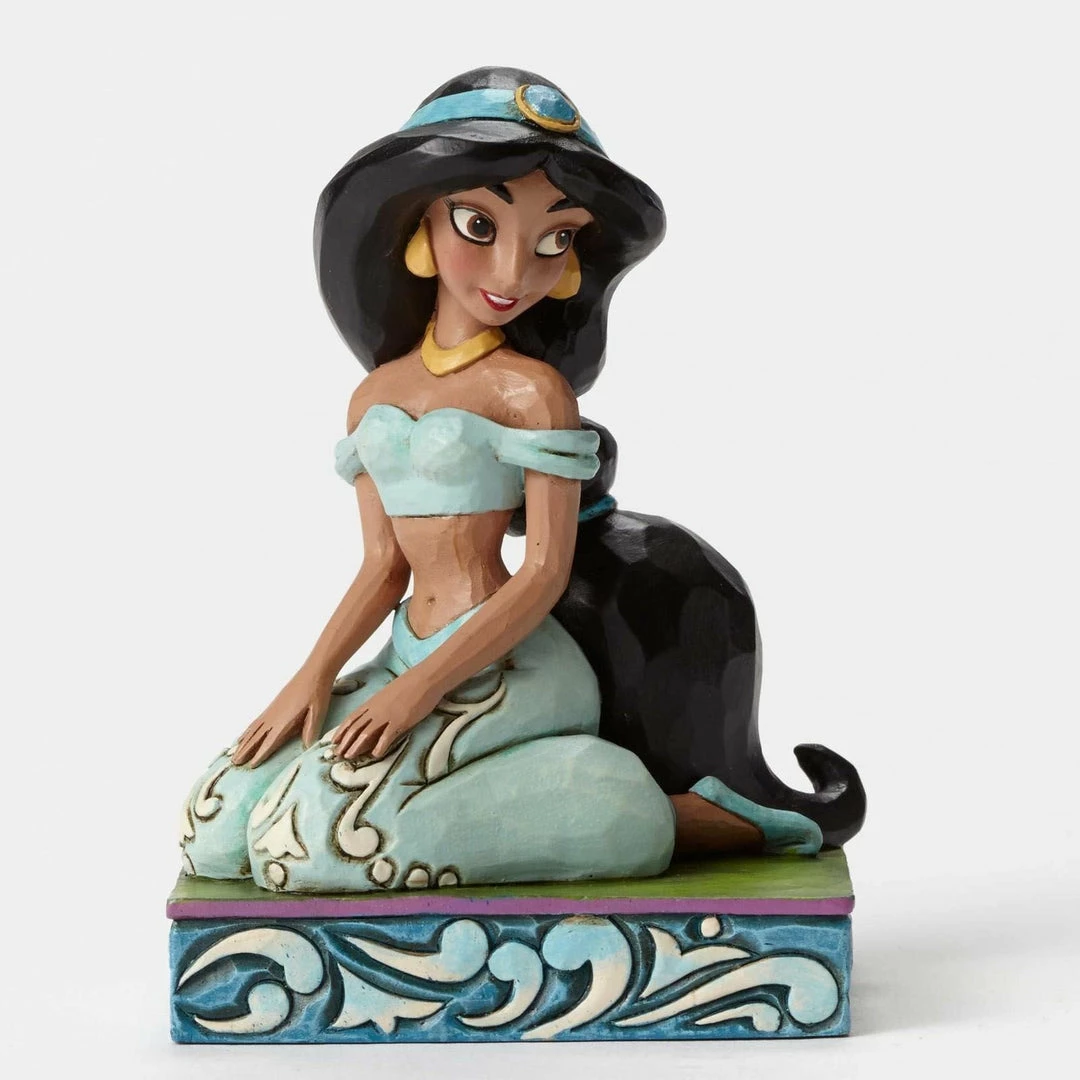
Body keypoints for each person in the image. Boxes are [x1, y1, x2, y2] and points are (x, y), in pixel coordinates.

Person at [179, 68, 861, 894]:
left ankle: (619, 806)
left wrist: (420, 692)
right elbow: (383, 567)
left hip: (511, 662)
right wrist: (312, 674)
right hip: (408, 649)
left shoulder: (533, 394)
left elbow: (541, 573)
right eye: (479, 224)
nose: (511, 270)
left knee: (306, 848)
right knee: (216, 826)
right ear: (419, 225)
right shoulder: (376, 395)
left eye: (553, 239)